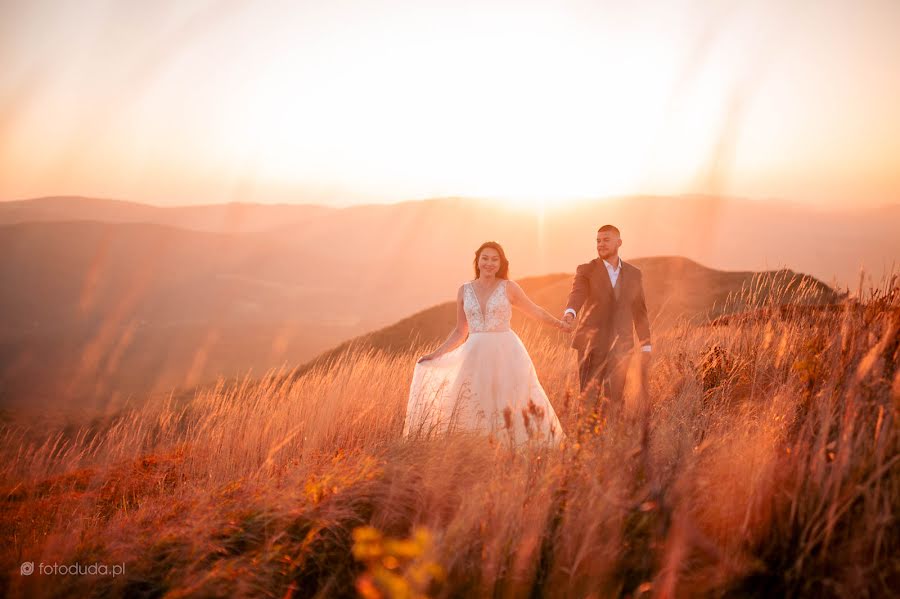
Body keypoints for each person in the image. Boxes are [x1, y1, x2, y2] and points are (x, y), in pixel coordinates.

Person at [403, 241, 568, 445]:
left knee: (510, 400)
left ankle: (516, 447)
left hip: (506, 353)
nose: (489, 263)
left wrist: (559, 324)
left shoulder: (509, 287)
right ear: (477, 261)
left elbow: (535, 311)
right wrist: (436, 354)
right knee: (475, 401)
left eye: (494, 259)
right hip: (474, 354)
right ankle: (479, 449)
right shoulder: (464, 290)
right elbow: (460, 330)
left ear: (501, 263)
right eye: (485, 258)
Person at [562, 225, 651, 415]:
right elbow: (577, 294)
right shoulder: (586, 270)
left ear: (618, 242)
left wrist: (646, 345)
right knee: (588, 400)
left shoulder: (634, 274)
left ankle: (610, 441)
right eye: (598, 241)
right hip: (590, 346)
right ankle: (585, 442)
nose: (601, 244)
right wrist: (570, 312)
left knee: (615, 400)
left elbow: (640, 311)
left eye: (606, 240)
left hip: (622, 346)